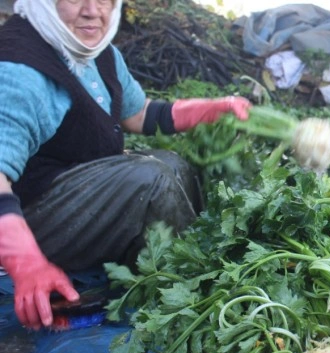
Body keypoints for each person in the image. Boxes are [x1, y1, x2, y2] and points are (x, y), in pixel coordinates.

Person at [0, 0, 253, 330]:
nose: (93, 11)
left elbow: (138, 114)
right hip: (32, 217)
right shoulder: (21, 70)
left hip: (74, 193)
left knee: (172, 164)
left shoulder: (95, 51)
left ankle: (173, 272)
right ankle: (189, 297)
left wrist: (208, 109)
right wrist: (27, 264)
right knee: (150, 181)